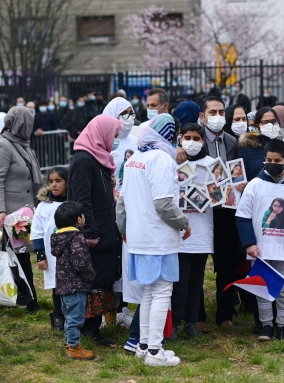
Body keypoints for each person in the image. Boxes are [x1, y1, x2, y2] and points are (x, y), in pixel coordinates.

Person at [116, 114, 190, 366]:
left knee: (149, 290)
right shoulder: (161, 158)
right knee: (161, 291)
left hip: (138, 235)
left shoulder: (135, 157)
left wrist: (124, 229)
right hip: (157, 237)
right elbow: (164, 203)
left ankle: (144, 344)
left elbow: (122, 202)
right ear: (171, 135)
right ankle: (155, 351)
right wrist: (184, 222)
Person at [236, 139, 284, 340]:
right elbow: (243, 217)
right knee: (262, 286)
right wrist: (250, 244)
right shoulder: (254, 185)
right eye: (268, 159)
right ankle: (266, 325)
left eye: (277, 160)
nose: (272, 163)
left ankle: (283, 324)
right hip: (259, 249)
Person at [68, 115, 121, 344]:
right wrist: (90, 231)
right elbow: (81, 200)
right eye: (114, 135)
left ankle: (95, 327)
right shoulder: (84, 160)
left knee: (101, 280)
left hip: (103, 229)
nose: (115, 140)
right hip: (93, 233)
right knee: (92, 282)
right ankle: (88, 330)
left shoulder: (99, 158)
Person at [0, 106, 43, 313]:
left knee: (20, 255)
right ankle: (30, 301)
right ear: (21, 124)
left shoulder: (23, 145)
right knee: (14, 257)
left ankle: (21, 296)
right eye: (28, 122)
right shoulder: (3, 146)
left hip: (22, 213)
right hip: (9, 214)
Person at [170, 122, 215, 338]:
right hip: (178, 234)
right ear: (179, 139)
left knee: (197, 283)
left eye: (196, 138)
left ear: (203, 141)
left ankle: (192, 322)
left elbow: (222, 194)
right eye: (187, 137)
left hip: (202, 232)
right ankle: (175, 323)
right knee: (179, 283)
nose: (191, 142)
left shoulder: (212, 165)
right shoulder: (170, 162)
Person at [199, 96, 241, 328]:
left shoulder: (233, 142)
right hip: (200, 211)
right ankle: (198, 317)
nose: (218, 117)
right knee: (197, 264)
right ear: (202, 116)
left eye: (221, 112)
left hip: (226, 209)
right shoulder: (193, 140)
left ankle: (225, 315)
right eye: (212, 112)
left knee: (226, 264)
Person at [51, 201, 97, 360]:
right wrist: (91, 275)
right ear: (79, 220)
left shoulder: (59, 237)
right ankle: (73, 347)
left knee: (69, 316)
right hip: (76, 286)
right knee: (75, 318)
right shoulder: (77, 238)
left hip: (64, 286)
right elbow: (81, 263)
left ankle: (70, 342)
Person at [31, 167, 69, 331]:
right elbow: (37, 231)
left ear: (67, 183)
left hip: (71, 254)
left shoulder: (72, 204)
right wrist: (40, 255)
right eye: (51, 181)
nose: (54, 185)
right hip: (52, 255)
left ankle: (72, 318)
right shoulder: (43, 206)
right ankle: (58, 316)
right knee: (57, 286)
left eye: (58, 181)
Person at [104, 97, 136, 191]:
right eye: (124, 113)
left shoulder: (137, 142)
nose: (128, 117)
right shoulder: (102, 143)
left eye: (130, 113)